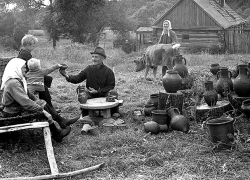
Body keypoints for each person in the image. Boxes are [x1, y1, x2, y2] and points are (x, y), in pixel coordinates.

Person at [0, 58, 79, 142]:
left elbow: (29, 95)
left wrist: (39, 103)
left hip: (18, 110)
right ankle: (58, 131)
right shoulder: (13, 83)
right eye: (23, 67)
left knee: (42, 104)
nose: (25, 69)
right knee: (42, 108)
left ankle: (60, 125)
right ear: (16, 69)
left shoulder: (18, 80)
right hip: (13, 115)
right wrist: (43, 110)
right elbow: (26, 102)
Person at [59, 47, 118, 116]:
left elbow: (111, 86)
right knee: (80, 90)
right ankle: (85, 112)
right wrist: (66, 75)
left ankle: (113, 111)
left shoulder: (108, 71)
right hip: (91, 94)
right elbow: (77, 78)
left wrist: (98, 91)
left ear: (102, 58)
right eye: (93, 57)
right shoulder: (88, 69)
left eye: (96, 57)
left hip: (104, 94)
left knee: (113, 92)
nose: (94, 59)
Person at [17, 34, 55, 108]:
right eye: (33, 45)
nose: (34, 47)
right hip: (27, 77)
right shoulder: (26, 54)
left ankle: (41, 94)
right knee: (46, 82)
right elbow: (29, 68)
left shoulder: (22, 52)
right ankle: (46, 103)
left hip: (28, 75)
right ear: (28, 45)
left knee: (48, 79)